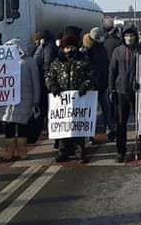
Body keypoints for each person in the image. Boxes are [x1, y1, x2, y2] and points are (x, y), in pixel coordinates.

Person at [46, 34, 95, 162]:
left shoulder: (83, 60)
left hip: (79, 98)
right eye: (66, 48)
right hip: (62, 100)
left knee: (78, 127)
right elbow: (49, 77)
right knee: (64, 127)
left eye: (71, 47)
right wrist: (53, 86)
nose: (68, 50)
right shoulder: (57, 62)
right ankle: (63, 151)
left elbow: (92, 76)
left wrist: (85, 86)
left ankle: (80, 152)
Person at [0, 39, 41, 161]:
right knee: (8, 127)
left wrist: (36, 100)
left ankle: (23, 152)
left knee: (22, 126)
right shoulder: (2, 61)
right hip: (6, 101)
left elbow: (35, 82)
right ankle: (9, 152)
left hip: (24, 99)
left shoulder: (29, 61)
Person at [109, 27, 139, 163]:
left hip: (138, 91)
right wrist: (111, 89)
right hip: (121, 90)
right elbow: (112, 71)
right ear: (123, 37)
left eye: (132, 35)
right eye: (127, 35)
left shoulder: (140, 51)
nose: (129, 38)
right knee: (121, 123)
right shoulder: (118, 51)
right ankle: (121, 151)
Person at [30, 30, 58, 144]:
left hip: (45, 81)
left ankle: (36, 135)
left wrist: (46, 76)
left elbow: (42, 62)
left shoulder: (47, 48)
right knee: (46, 109)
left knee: (44, 109)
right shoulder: (49, 46)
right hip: (47, 81)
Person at [85, 28, 112, 141]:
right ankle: (106, 129)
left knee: (96, 110)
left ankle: (92, 133)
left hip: (97, 84)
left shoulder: (91, 49)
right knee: (103, 109)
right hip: (98, 84)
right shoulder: (96, 49)